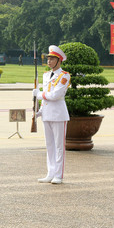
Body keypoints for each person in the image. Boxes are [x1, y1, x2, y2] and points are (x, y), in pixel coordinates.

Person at [34, 45, 71, 185]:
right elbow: (46, 98)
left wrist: (39, 94)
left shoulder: (64, 76)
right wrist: (39, 112)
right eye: (48, 58)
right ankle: (50, 172)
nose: (49, 61)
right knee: (49, 145)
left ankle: (58, 175)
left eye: (52, 59)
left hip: (59, 114)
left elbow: (55, 95)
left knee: (59, 146)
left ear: (59, 60)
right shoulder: (45, 75)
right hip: (47, 114)